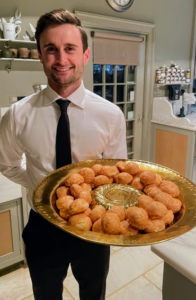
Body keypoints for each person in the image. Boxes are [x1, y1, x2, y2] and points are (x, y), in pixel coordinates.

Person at [0, 8, 127, 300]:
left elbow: (118, 176)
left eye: (70, 48)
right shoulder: (18, 115)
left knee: (93, 293)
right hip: (42, 227)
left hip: (94, 226)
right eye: (51, 49)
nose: (61, 59)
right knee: (45, 294)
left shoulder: (110, 115)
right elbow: (6, 163)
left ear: (85, 55)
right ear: (41, 56)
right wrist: (41, 186)